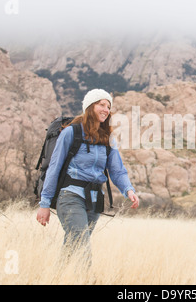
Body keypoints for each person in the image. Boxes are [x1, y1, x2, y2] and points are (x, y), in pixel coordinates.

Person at [36, 88, 139, 253]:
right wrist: (45, 203)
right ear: (90, 106)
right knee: (81, 247)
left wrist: (128, 189)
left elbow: (117, 170)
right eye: (101, 104)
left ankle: (59, 277)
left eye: (108, 106)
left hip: (94, 200)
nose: (106, 109)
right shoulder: (71, 132)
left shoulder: (107, 139)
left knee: (72, 247)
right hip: (71, 196)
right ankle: (86, 279)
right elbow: (54, 168)